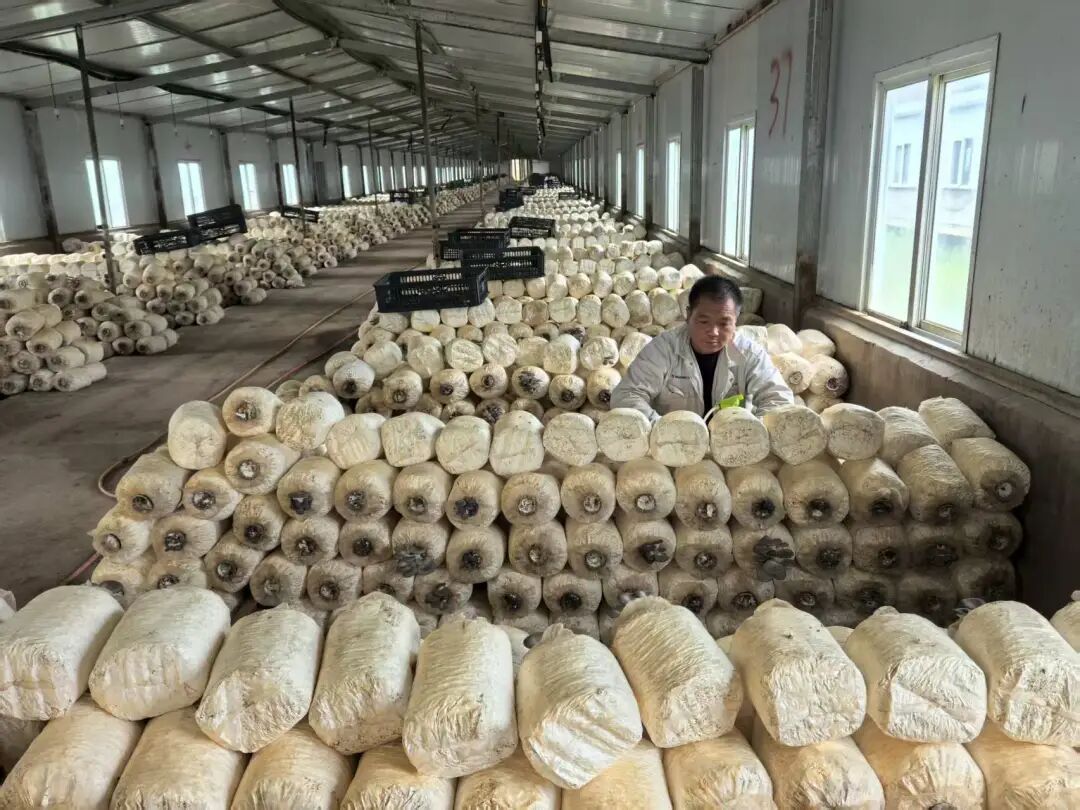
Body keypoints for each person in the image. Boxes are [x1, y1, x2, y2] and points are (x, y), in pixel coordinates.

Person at [611, 276, 793, 421]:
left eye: (724, 323)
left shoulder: (749, 354)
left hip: (732, 445)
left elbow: (778, 399)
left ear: (736, 320)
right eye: (704, 321)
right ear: (688, 314)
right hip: (672, 446)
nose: (713, 332)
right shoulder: (663, 349)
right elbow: (626, 396)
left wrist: (751, 431)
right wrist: (661, 426)